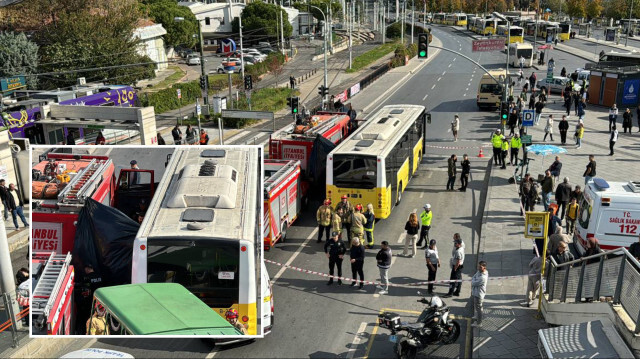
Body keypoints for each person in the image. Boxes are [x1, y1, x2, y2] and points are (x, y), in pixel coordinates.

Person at [469, 261, 488, 327]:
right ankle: (476, 316)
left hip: (479, 294)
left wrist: (473, 280)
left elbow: (474, 283)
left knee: (479, 308)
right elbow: (474, 277)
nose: (478, 268)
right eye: (478, 266)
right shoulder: (479, 272)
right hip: (476, 293)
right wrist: (474, 279)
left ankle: (479, 323)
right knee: (476, 306)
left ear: (484, 267)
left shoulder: (483, 277)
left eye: (480, 267)